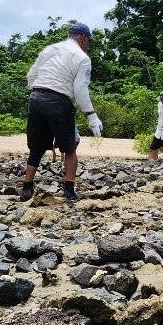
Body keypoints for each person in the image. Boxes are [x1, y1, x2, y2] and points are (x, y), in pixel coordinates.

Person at [20, 22, 102, 202]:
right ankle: (69, 189)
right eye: (88, 41)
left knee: (36, 148)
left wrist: (39, 92)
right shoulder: (82, 58)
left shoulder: (49, 49)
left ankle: (26, 187)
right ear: (82, 38)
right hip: (59, 101)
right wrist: (90, 114)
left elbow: (31, 76)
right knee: (70, 147)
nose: (88, 45)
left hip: (36, 97)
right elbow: (80, 90)